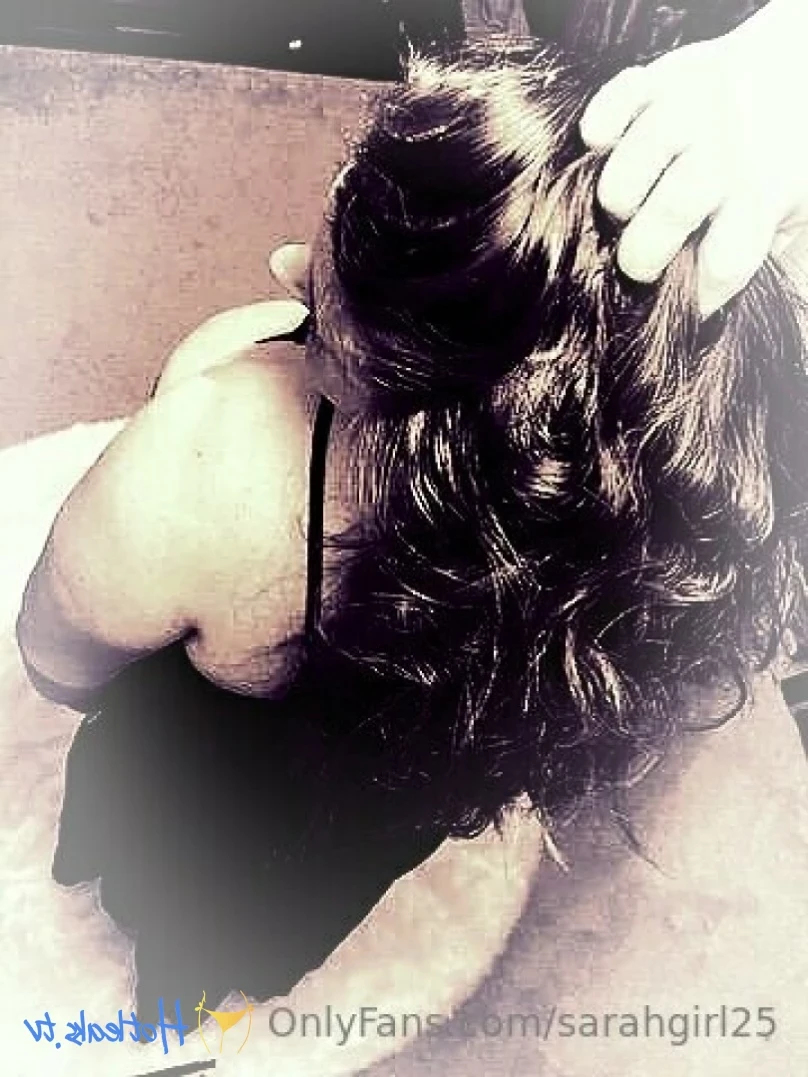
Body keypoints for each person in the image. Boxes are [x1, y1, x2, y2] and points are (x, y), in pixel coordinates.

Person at [15, 22, 808, 1041]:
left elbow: (57, 657)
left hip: (194, 794)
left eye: (324, 316)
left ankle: (160, 997)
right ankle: (197, 1006)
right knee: (255, 936)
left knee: (158, 875)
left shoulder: (207, 444)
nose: (286, 262)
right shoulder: (614, 573)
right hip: (378, 817)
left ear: (413, 419)